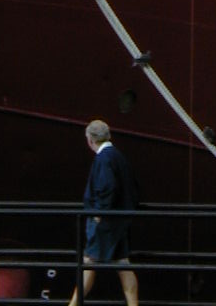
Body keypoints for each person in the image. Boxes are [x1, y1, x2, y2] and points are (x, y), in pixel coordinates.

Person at [67, 119, 138, 306]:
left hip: (105, 224)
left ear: (90, 140)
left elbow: (107, 187)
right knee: (123, 265)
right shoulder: (119, 157)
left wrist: (99, 214)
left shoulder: (103, 159)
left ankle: (73, 304)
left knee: (88, 264)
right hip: (119, 221)